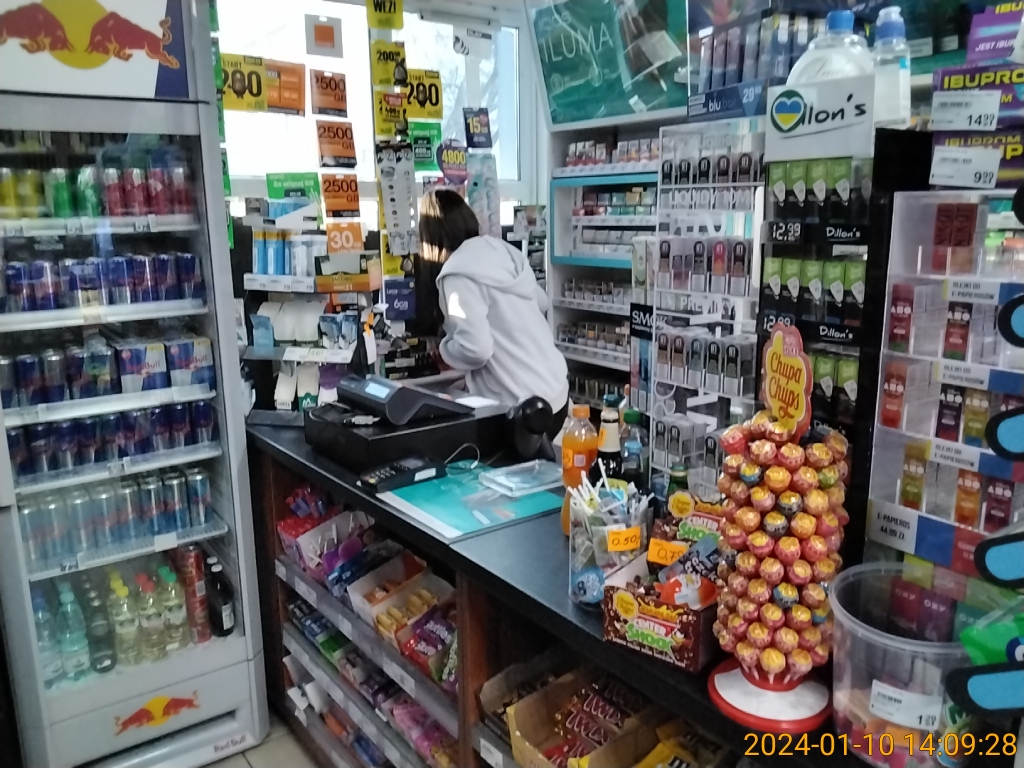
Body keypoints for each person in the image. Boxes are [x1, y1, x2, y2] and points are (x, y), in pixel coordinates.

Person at [417, 189, 568, 436]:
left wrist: (445, 349)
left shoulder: (456, 273)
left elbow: (475, 349)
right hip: (555, 391)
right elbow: (540, 302)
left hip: (522, 407)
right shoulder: (500, 250)